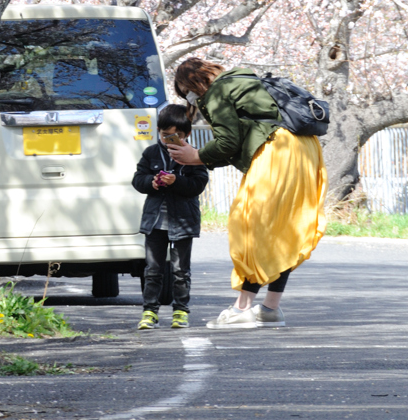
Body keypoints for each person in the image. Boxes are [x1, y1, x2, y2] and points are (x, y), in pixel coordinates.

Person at [166, 58, 327, 330]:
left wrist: (196, 156)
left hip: (277, 152)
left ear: (191, 82)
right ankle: (270, 310)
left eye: (185, 91)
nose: (188, 97)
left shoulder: (217, 92)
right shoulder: (246, 81)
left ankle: (242, 308)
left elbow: (228, 142)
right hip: (305, 149)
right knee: (283, 228)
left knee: (249, 225)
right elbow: (243, 139)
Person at [132, 103, 209, 330]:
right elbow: (138, 180)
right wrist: (152, 182)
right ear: (159, 131)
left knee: (180, 270)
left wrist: (178, 181)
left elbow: (198, 184)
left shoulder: (195, 156)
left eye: (176, 136)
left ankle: (180, 312)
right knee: (153, 269)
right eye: (165, 135)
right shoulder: (151, 153)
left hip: (183, 221)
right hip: (155, 222)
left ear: (187, 134)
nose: (169, 140)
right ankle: (149, 312)